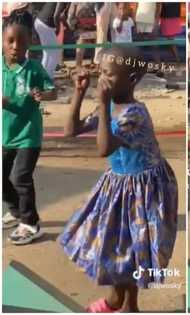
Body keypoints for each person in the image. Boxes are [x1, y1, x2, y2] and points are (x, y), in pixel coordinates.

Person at [60, 46, 178, 312]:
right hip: (118, 184)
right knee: (117, 244)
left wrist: (102, 104)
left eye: (109, 75)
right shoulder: (111, 105)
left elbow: (103, 149)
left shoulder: (134, 114)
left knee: (135, 247)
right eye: (101, 72)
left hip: (145, 189)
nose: (102, 80)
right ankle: (119, 300)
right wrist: (79, 93)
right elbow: (70, 131)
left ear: (133, 78)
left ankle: (128, 303)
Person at [2, 11, 57, 245]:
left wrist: (42, 94)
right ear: (2, 41)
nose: (16, 46)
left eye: (22, 42)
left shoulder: (34, 69)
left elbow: (53, 91)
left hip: (28, 136)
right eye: (10, 41)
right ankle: (14, 211)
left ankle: (30, 223)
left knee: (20, 177)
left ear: (30, 44)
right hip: (5, 135)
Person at [33, 3, 65, 79]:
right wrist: (57, 28)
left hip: (39, 21)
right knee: (56, 51)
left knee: (47, 52)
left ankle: (43, 76)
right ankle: (48, 77)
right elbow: (56, 15)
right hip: (45, 24)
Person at [67, 3, 97, 68]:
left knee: (98, 39)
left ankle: (94, 62)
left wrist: (92, 25)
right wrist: (78, 25)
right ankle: (78, 65)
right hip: (80, 30)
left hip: (93, 29)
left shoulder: (95, 4)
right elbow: (70, 22)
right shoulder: (74, 4)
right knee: (82, 39)